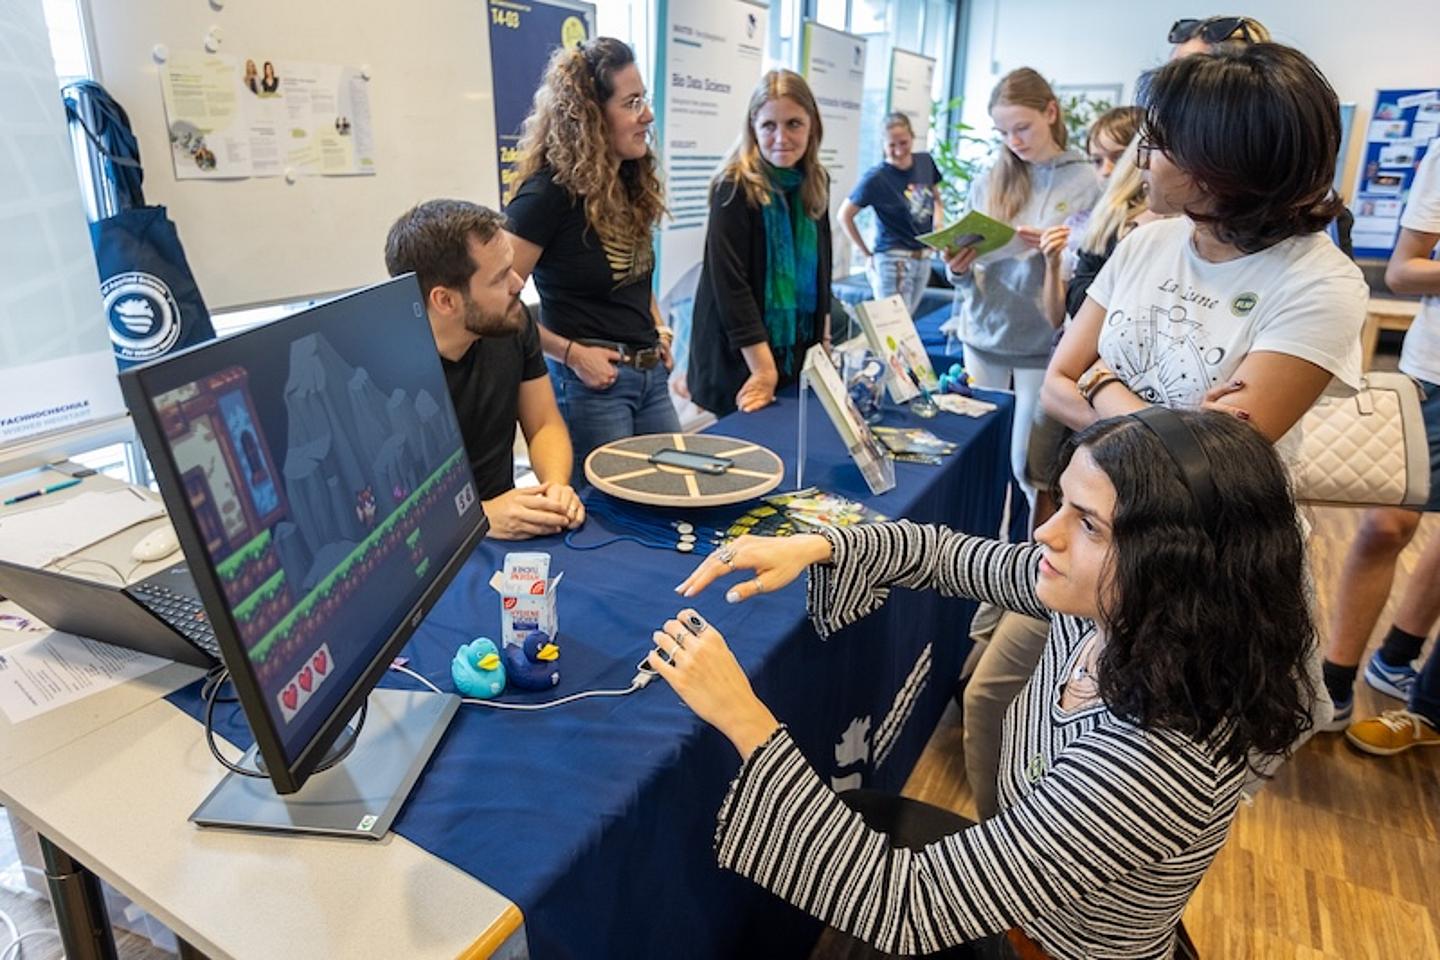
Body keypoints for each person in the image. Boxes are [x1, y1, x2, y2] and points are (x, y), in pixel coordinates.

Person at [653, 409, 1316, 959]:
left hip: (1051, 948)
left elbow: (906, 905)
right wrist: (820, 544)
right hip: (1025, 906)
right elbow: (949, 557)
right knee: (854, 821)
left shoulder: (1150, 761)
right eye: (1063, 504)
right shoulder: (1119, 609)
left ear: (1175, 563)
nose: (1044, 533)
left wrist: (744, 717)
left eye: (1086, 523)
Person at [943, 42, 1363, 822]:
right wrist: (1139, 404)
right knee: (997, 704)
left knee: (1125, 785)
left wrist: (1105, 384)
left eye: (1160, 143)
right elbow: (1059, 387)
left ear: (1217, 168)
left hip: (1190, 568)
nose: (1142, 157)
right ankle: (1005, 892)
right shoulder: (1145, 243)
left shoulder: (1318, 282)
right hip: (1087, 533)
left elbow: (1209, 458)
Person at [505, 38, 678, 466]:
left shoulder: (630, 180)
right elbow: (498, 304)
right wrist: (572, 355)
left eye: (644, 99)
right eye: (632, 102)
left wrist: (658, 329)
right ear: (590, 117)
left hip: (650, 375)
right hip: (593, 387)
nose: (647, 115)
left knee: (677, 495)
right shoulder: (545, 195)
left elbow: (635, 277)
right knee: (612, 520)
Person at [939, 68, 1100, 512]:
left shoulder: (1089, 180)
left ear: (1051, 112)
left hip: (1042, 342)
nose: (1015, 140)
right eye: (1003, 132)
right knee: (975, 456)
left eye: (1023, 128)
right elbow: (964, 266)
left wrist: (1066, 246)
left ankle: (1022, 561)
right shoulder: (991, 179)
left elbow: (1098, 263)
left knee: (1028, 468)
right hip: (984, 331)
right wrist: (955, 267)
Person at [1324, 143, 1440, 753]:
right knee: (1387, 525)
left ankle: (1398, 657)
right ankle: (1335, 682)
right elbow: (1402, 270)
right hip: (1433, 375)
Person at [384, 199, 584, 541]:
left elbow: (543, 423)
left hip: (506, 528)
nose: (519, 283)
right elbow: (382, 515)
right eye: (500, 277)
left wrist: (556, 486)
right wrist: (478, 517)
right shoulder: (383, 375)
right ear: (445, 300)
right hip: (429, 547)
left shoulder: (513, 322)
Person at [687, 69, 832, 417]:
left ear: (812, 125)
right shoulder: (734, 186)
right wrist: (763, 370)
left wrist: (824, 342)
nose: (781, 137)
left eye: (793, 123)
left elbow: (822, 269)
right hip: (740, 360)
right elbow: (730, 287)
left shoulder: (815, 180)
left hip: (795, 354)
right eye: (769, 125)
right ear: (753, 126)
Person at [838, 112, 943, 318]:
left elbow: (936, 198)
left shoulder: (925, 162)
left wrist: (938, 227)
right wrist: (867, 254)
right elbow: (845, 215)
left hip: (923, 256)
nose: (898, 151)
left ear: (912, 137)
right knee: (893, 326)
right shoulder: (876, 177)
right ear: (883, 144)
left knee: (906, 324)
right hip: (893, 258)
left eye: (903, 143)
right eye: (891, 145)